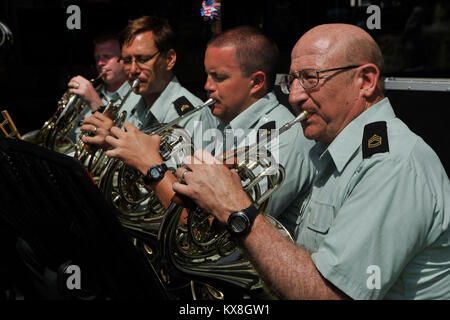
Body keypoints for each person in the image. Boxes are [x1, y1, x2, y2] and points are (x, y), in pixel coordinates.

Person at [170, 23, 450, 300]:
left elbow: (330, 295)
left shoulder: (392, 164)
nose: (294, 96)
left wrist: (235, 209)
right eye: (291, 80)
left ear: (365, 81)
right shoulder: (332, 151)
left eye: (311, 78)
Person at [104, 25, 315, 230]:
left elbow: (216, 229)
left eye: (219, 77)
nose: (207, 86)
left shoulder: (281, 137)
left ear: (257, 82)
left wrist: (153, 168)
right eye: (207, 75)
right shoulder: (226, 123)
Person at [80, 15, 217, 151]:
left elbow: (192, 172)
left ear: (169, 59)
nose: (133, 70)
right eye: (127, 61)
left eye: (143, 59)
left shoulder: (193, 115)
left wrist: (114, 143)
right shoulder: (129, 107)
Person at [67, 32, 141, 145]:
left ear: (124, 59)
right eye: (97, 58)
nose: (100, 63)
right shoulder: (86, 95)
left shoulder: (139, 97)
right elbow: (69, 141)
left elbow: (129, 145)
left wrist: (95, 103)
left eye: (107, 57)